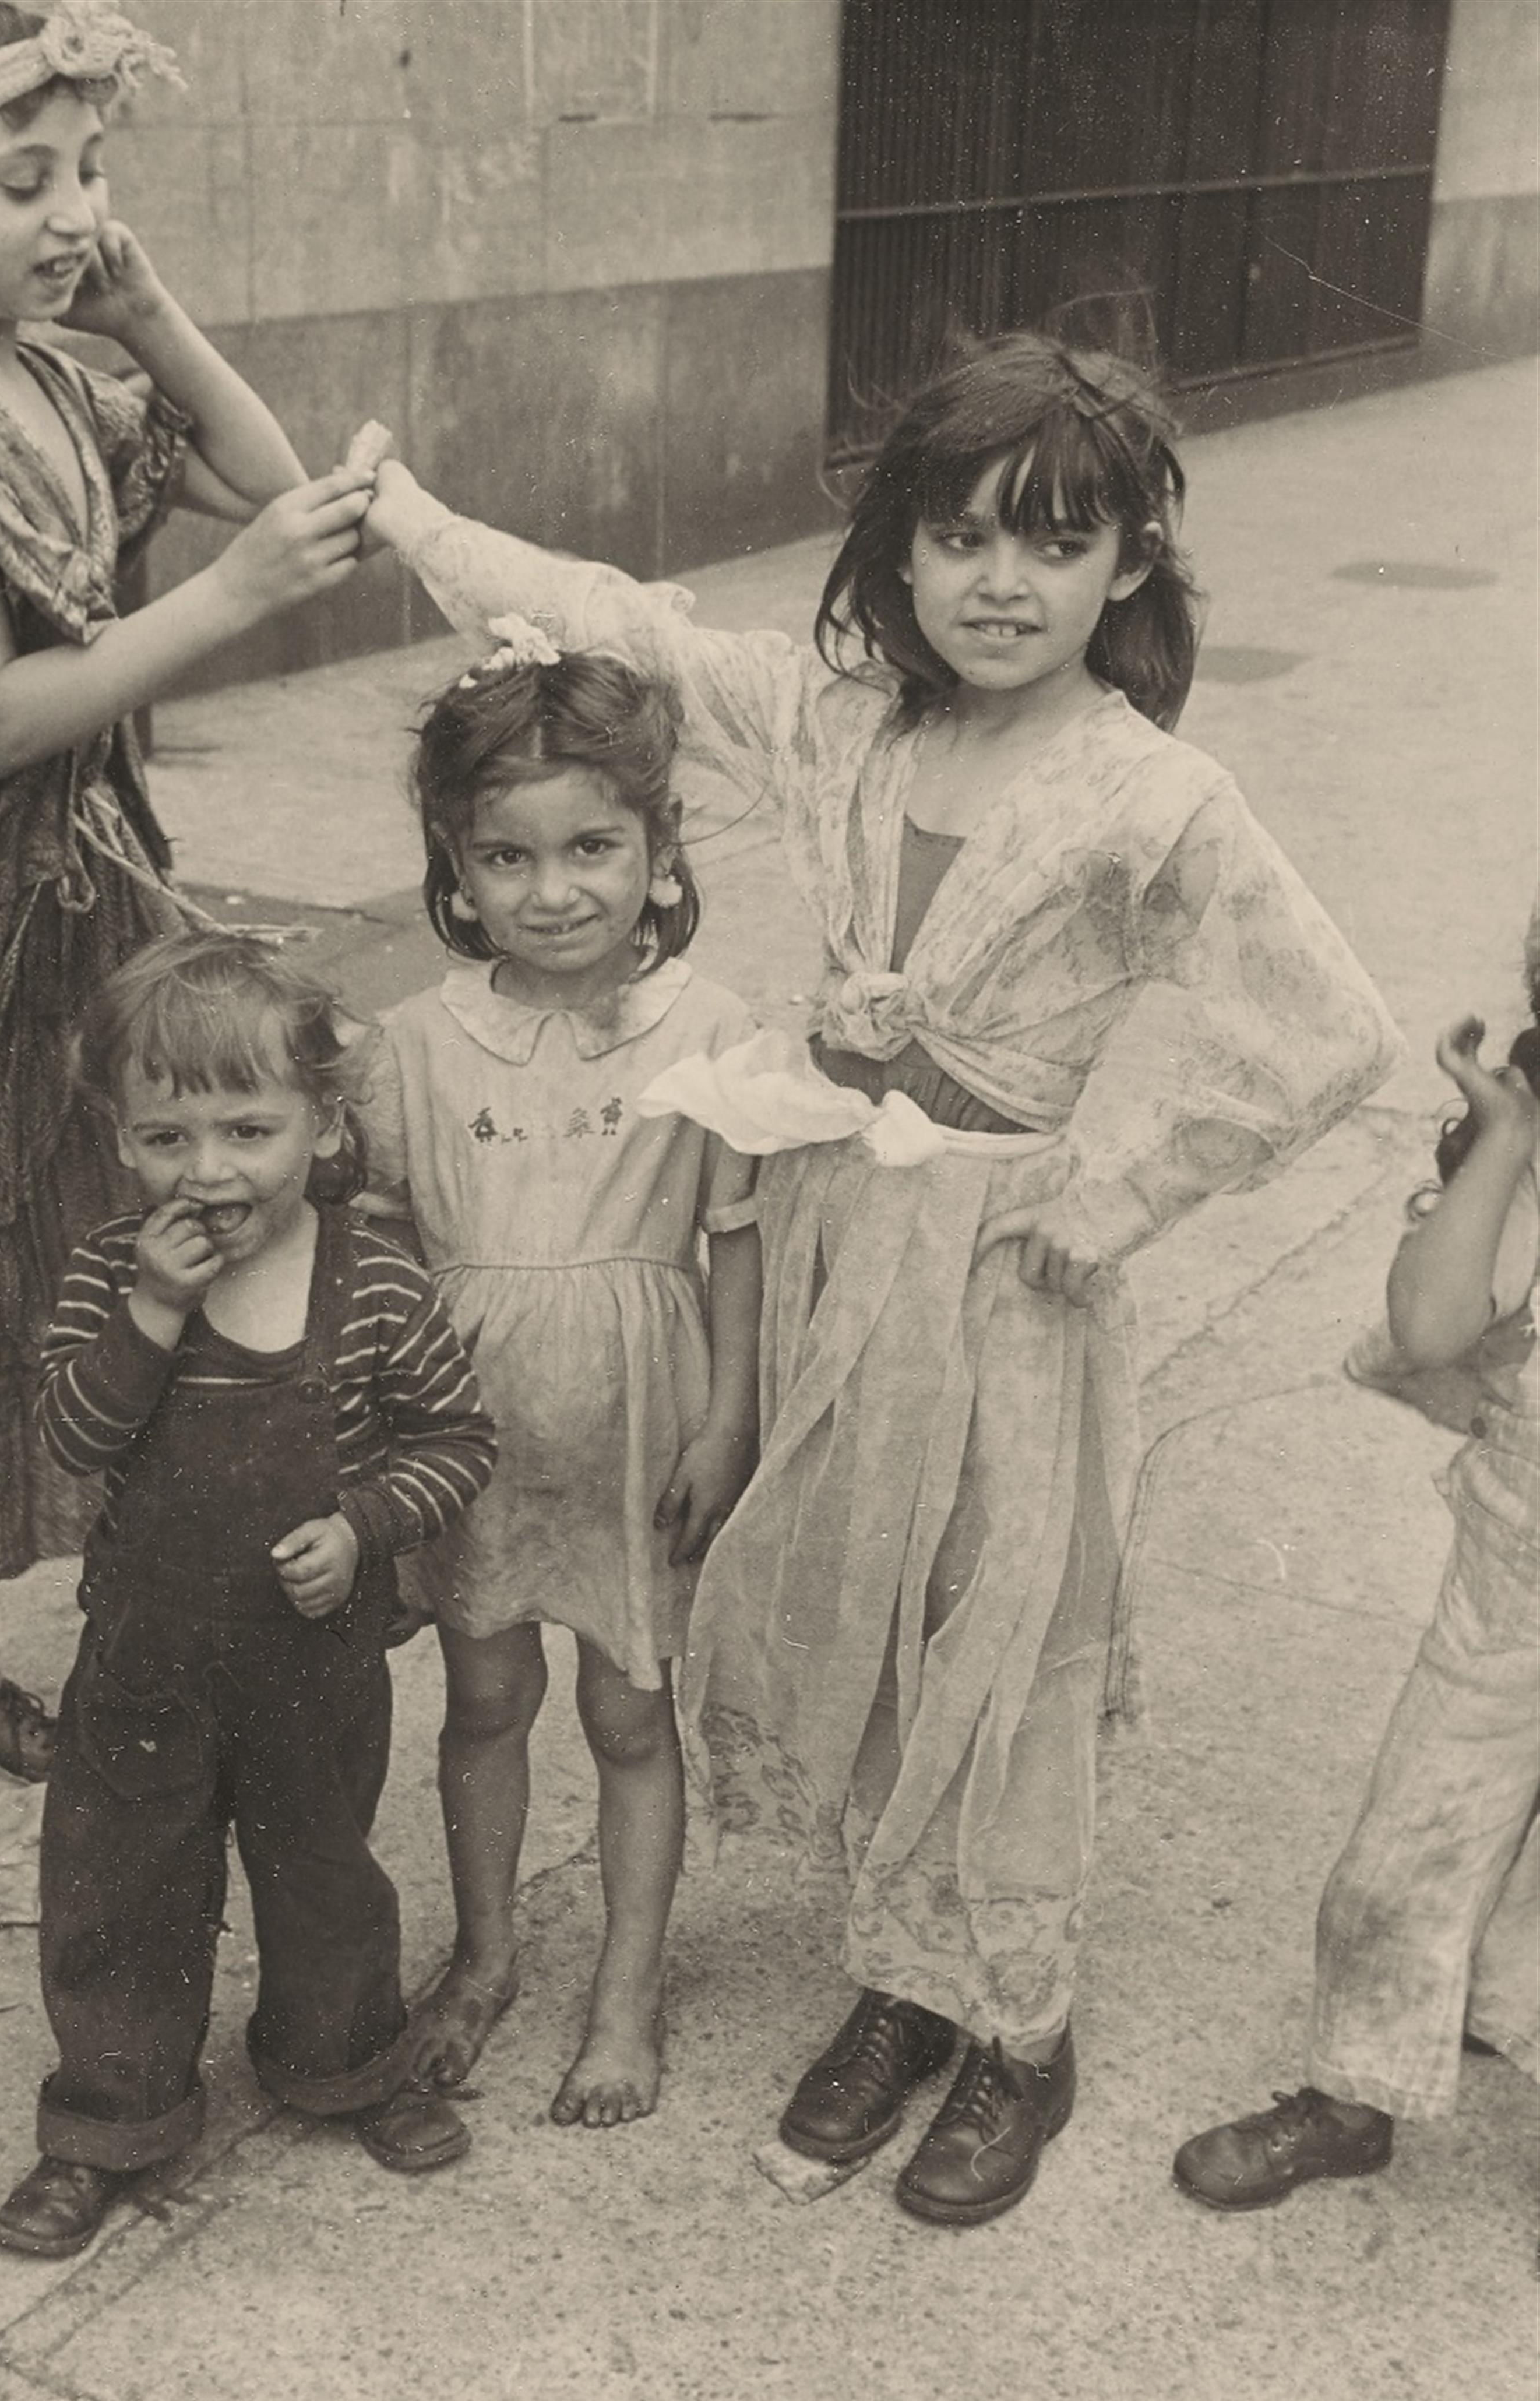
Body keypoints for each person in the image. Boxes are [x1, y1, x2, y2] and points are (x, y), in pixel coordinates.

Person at [362, 328, 1401, 2220]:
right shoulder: (843, 724)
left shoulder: (1151, 797)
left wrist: (1112, 1198)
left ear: (1124, 571)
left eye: (1057, 543)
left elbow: (1321, 1028)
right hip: (840, 1253)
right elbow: (628, 628)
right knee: (871, 1622)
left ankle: (1016, 2023)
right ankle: (897, 1985)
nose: (1003, 583)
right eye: (961, 537)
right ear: (896, 557)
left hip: (1005, 1280)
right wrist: (411, 512)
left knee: (997, 1636)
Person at [0, 0, 380, 1782]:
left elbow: (276, 485)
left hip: (62, 907)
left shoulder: (56, 369)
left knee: (46, 1271)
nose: (72, 208)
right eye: (27, 177)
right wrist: (234, 599)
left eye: (91, 171)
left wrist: (143, 304)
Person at [0, 931, 498, 2258]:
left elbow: (460, 1438)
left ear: (324, 1123)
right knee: (121, 1888)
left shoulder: (376, 1278)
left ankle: (344, 2064)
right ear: (118, 1134)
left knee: (323, 1877)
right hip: (145, 1654)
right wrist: (153, 1311)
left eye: (248, 1128)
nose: (207, 1170)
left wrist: (365, 1523)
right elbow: (72, 1438)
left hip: (314, 1659)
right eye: (166, 1136)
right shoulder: (116, 1267)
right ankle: (109, 2114)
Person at [360, 635, 762, 2128]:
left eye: (595, 845)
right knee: (482, 1697)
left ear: (659, 854)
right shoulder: (410, 1044)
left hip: (642, 1433)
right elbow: (385, 1250)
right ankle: (483, 1956)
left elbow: (734, 1250)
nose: (555, 888)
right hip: (471, 1442)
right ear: (457, 876)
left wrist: (729, 1422)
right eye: (508, 856)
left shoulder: (714, 1034)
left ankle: (629, 1987)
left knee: (630, 1712)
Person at [1173, 974, 1539, 2212]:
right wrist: (1504, 1134)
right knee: (1399, 1862)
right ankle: (1353, 2094)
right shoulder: (1527, 1170)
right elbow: (1434, 1322)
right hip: (1515, 1594)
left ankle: (1489, 2008)